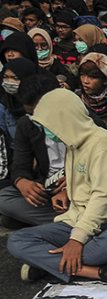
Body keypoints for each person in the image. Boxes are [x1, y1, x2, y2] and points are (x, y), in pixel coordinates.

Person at [7, 88, 107, 284]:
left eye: (49, 125)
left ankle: (47, 264)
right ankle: (96, 272)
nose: (47, 131)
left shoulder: (102, 143)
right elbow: (82, 180)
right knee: (16, 242)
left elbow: (102, 197)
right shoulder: (72, 143)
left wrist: (76, 240)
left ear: (64, 120)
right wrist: (67, 191)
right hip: (77, 217)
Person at [0, 72, 61, 227]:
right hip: (47, 188)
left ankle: (68, 223)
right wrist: (23, 182)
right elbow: (20, 165)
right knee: (5, 198)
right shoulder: (26, 124)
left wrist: (75, 181)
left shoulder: (86, 122)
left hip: (80, 189)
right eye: (31, 114)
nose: (37, 120)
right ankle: (64, 222)